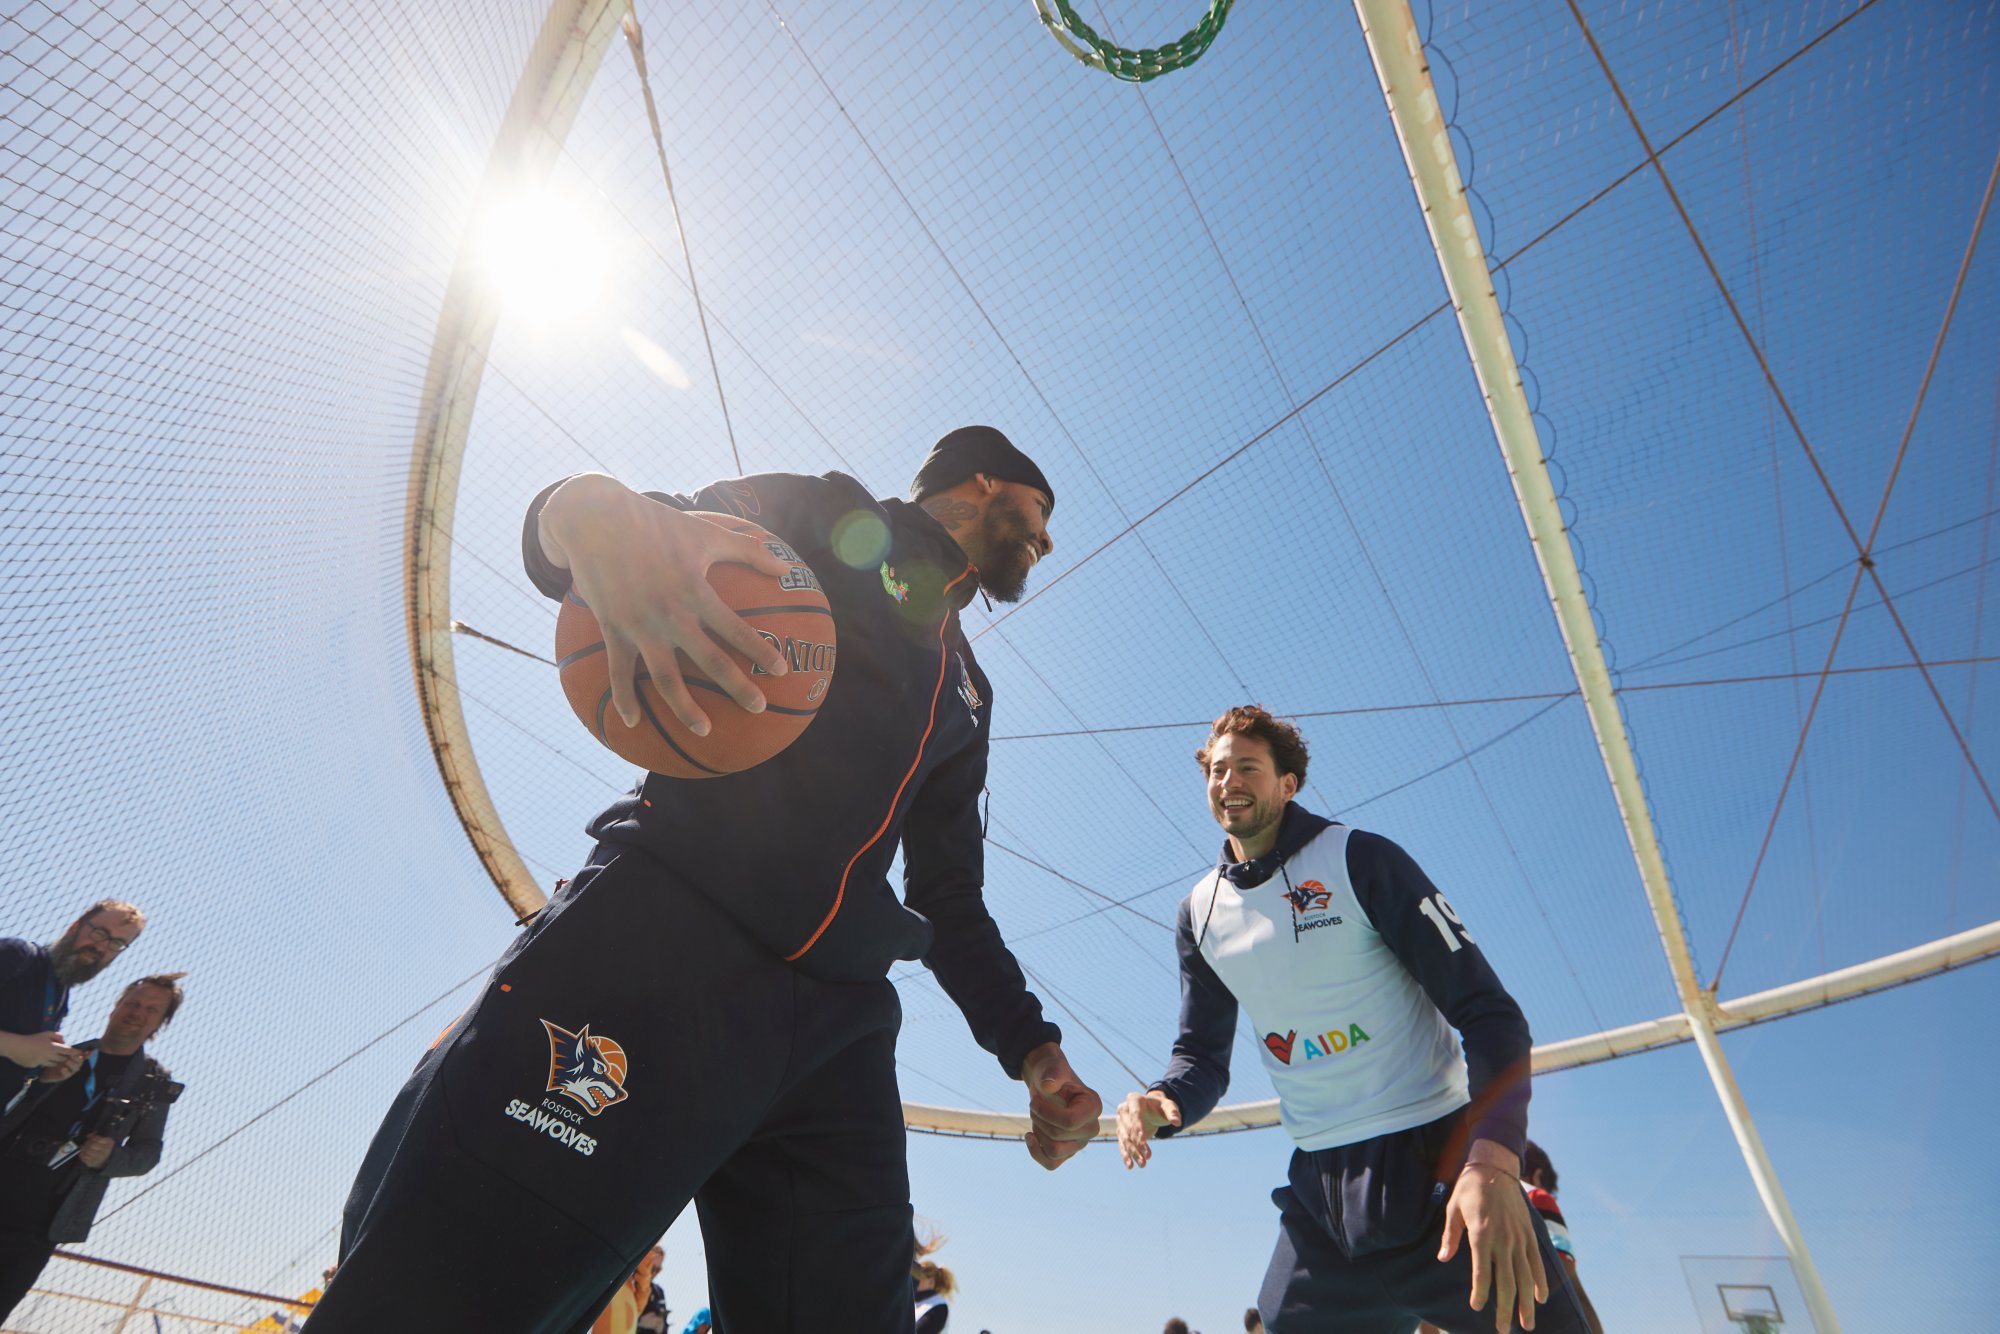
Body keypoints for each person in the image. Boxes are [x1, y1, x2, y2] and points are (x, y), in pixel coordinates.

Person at [309, 427, 1102, 1333]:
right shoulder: (832, 512)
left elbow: (950, 897)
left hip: (837, 1026)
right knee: (445, 1300)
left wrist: (1035, 1055)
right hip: (662, 939)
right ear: (988, 482)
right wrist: (579, 510)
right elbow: (629, 529)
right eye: (1040, 514)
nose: (1043, 540)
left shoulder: (969, 688)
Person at [1116, 707, 1591, 1333]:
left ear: (1288, 784)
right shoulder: (1198, 915)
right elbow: (1201, 1058)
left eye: (1248, 768)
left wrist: (1495, 1158)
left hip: (1443, 1175)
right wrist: (1162, 1098)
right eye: (1218, 768)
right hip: (1321, 1200)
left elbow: (1490, 1013)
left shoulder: (1360, 859)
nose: (1228, 780)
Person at [0, 973, 184, 1321]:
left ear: (162, 1022)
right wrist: (40, 1083)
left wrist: (110, 1158)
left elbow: (148, 1153)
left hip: (41, 1223)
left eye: (150, 1009)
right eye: (131, 1003)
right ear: (115, 1006)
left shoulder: (154, 1083)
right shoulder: (59, 1053)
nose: (137, 1013)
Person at [2, 901, 146, 1106]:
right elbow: (18, 1050)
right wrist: (15, 1046)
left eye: (116, 943)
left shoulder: (60, 997)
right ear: (74, 926)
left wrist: (45, 1073)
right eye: (99, 932)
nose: (101, 946)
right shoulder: (17, 955)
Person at [591, 1244, 664, 1334]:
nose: (653, 1273)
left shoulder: (653, 1293)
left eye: (657, 1269)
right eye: (652, 1268)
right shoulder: (622, 1276)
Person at [913, 1232, 955, 1334]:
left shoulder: (938, 1306)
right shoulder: (913, 1304)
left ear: (931, 1281)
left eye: (919, 1277)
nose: (914, 1280)